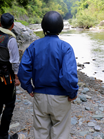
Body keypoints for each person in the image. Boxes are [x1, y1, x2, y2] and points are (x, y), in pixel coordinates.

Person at [18, 11, 79, 139]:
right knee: (60, 132)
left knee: (40, 132)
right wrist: (72, 93)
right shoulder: (66, 48)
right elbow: (68, 75)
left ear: (43, 27)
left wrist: (28, 87)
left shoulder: (33, 46)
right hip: (61, 97)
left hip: (39, 96)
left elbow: (23, 70)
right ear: (61, 28)